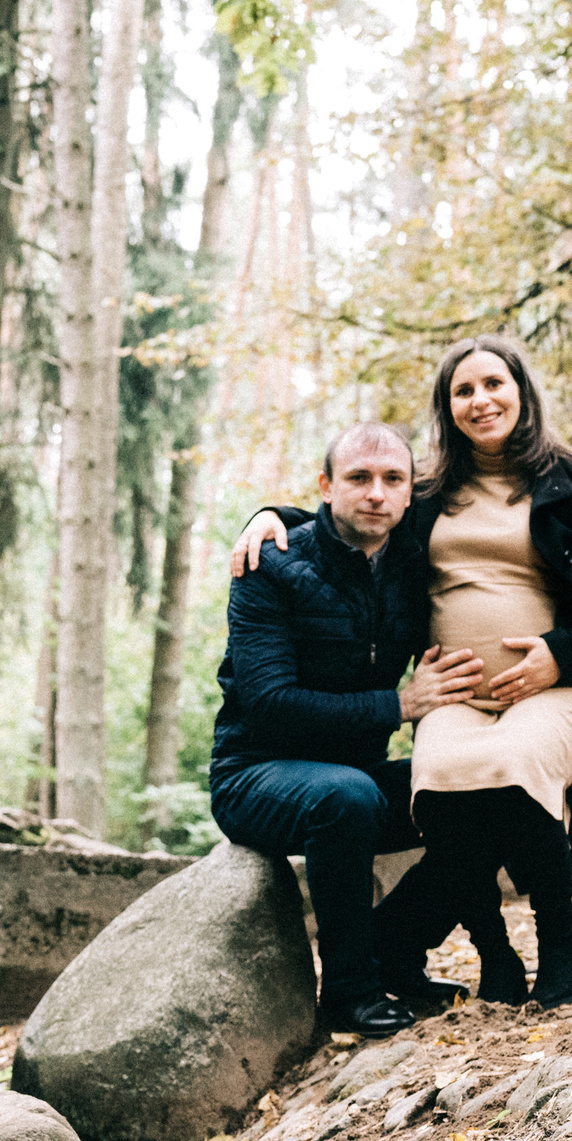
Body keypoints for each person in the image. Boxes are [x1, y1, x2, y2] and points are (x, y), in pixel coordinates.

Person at [234, 335, 572, 1008]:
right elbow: (354, 517)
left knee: (511, 767)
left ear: (521, 391)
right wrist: (269, 516)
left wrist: (569, 650)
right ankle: (492, 953)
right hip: (454, 697)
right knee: (445, 786)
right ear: (447, 406)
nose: (480, 400)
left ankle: (558, 943)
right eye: (464, 390)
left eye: (494, 384)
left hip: (552, 690)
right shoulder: (429, 491)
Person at [209, 422, 488, 1038]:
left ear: (411, 492)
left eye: (393, 479)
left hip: (356, 777)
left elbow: (507, 564)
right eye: (359, 478)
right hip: (254, 775)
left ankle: (396, 951)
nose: (376, 494)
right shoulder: (268, 565)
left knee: (479, 792)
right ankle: (348, 991)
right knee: (346, 795)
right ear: (326, 486)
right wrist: (399, 705)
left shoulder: (412, 563)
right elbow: (269, 703)